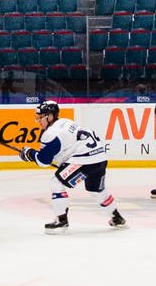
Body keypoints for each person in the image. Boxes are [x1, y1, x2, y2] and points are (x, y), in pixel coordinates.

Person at [20, 100, 125, 233]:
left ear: (50, 116)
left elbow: (43, 161)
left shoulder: (50, 134)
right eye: (37, 117)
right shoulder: (64, 122)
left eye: (41, 117)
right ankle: (116, 217)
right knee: (96, 190)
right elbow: (67, 147)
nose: (38, 121)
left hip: (85, 160)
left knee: (56, 182)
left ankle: (61, 219)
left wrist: (29, 153)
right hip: (100, 157)